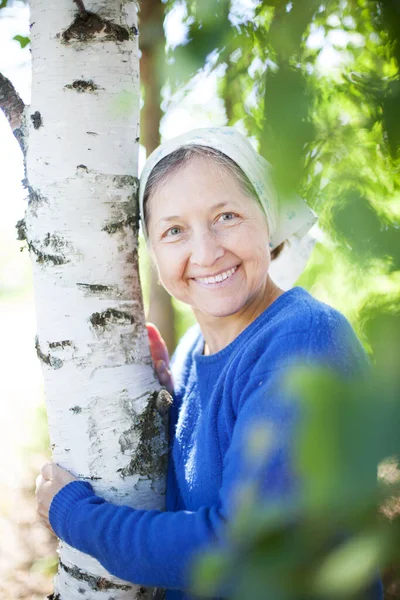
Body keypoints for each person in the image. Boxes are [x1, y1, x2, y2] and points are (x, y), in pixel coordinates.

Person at [36, 127, 383, 599]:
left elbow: (239, 550)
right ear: (154, 253)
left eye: (226, 216)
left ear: (267, 216)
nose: (205, 252)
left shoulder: (305, 340)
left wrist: (77, 517)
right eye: (174, 230)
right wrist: (160, 400)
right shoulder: (191, 352)